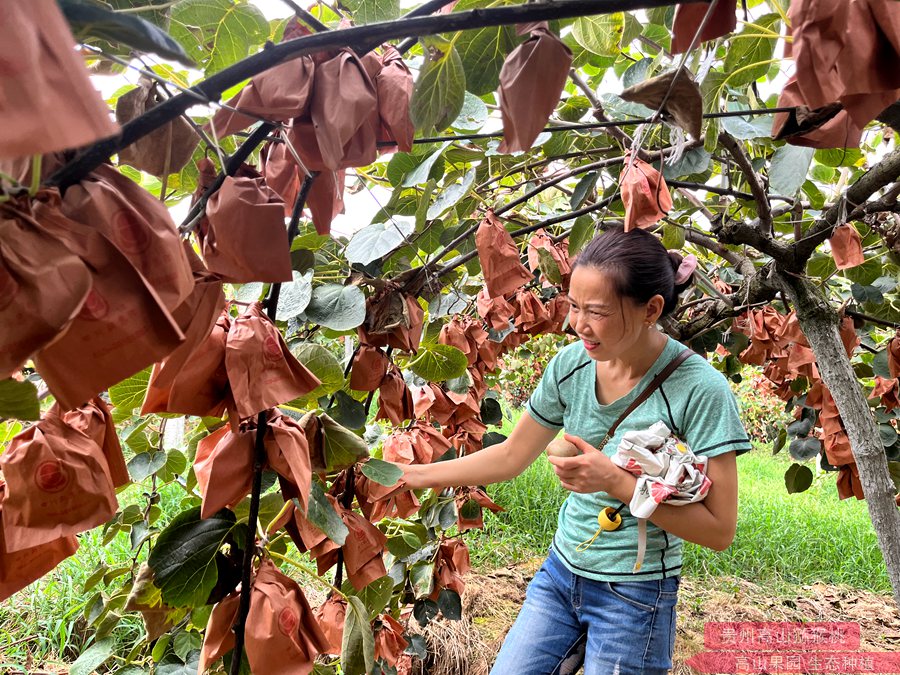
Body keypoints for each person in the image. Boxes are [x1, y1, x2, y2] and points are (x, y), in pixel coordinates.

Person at [400, 226, 751, 675]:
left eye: (597, 312)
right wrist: (415, 476)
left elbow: (719, 531)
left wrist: (614, 481)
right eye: (574, 306)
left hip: (636, 594)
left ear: (652, 309)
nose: (577, 324)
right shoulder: (570, 367)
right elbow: (511, 455)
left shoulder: (700, 389)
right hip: (562, 573)